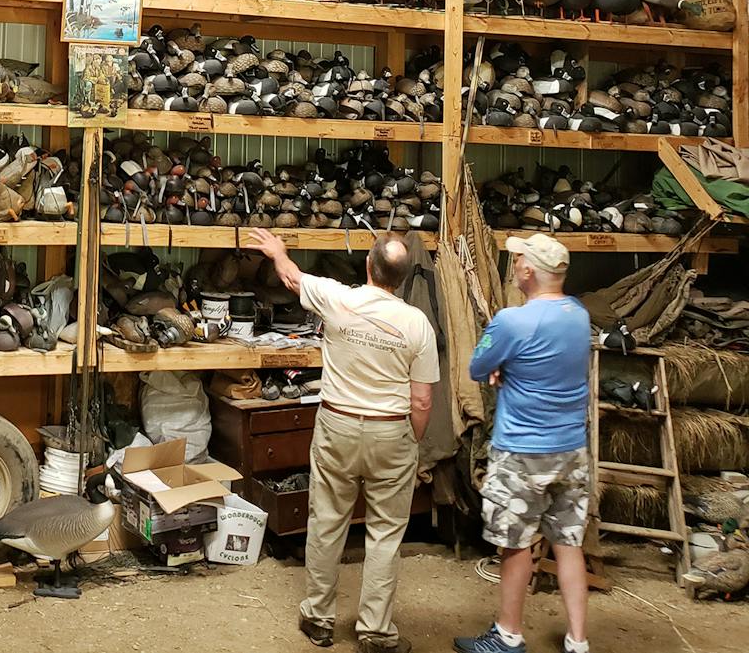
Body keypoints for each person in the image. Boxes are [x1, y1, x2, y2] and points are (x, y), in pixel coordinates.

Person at [253, 229, 439, 653]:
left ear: (368, 267)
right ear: (405, 277)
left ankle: (318, 618)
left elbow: (293, 278)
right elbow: (422, 398)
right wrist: (412, 441)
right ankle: (374, 631)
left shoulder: (338, 298)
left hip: (337, 425)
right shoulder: (417, 323)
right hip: (391, 429)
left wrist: (278, 251)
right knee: (386, 534)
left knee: (326, 523)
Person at [455, 233, 592, 653]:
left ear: (529, 271)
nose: (513, 266)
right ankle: (577, 640)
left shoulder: (512, 321)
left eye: (517, 260)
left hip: (522, 451)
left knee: (514, 544)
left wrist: (501, 369)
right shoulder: (579, 315)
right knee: (569, 543)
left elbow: (479, 366)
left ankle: (508, 635)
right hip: (571, 448)